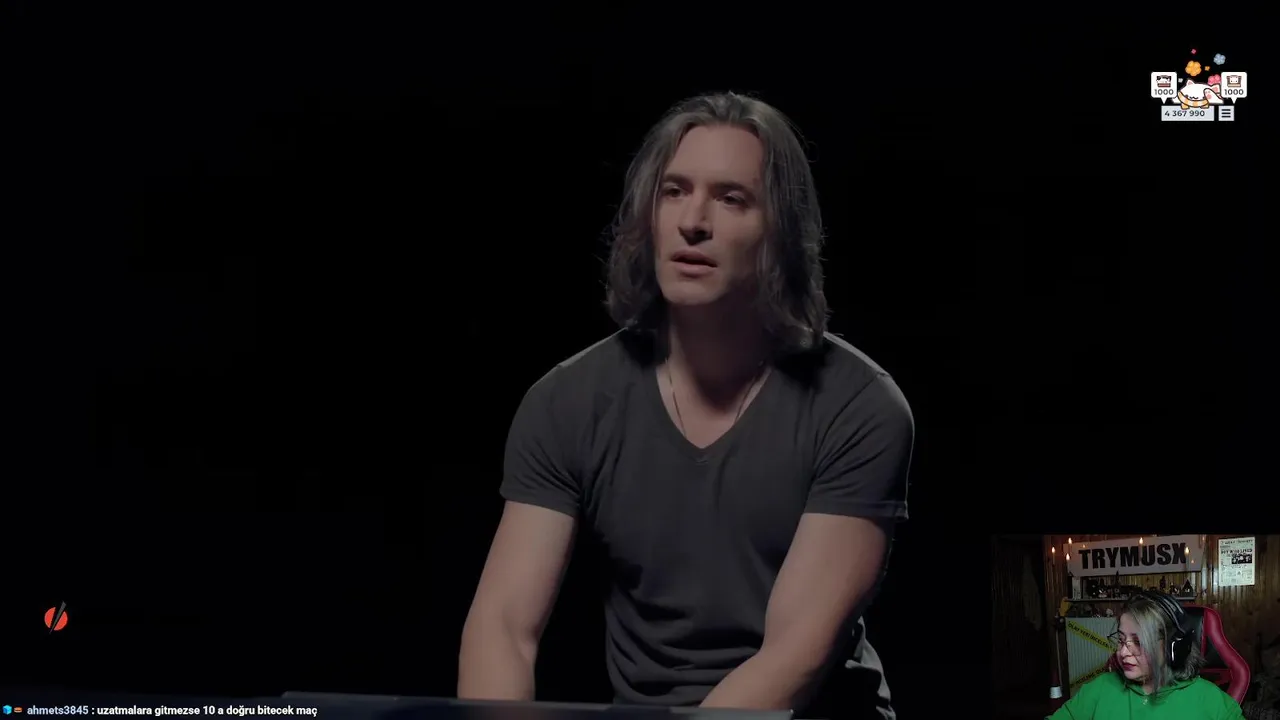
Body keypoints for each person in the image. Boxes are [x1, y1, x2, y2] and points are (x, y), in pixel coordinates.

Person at [457, 92, 914, 719]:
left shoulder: (859, 406)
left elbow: (794, 655)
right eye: (673, 191)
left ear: (779, 231)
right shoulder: (567, 402)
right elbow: (504, 627)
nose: (692, 221)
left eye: (731, 198)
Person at [1048, 591, 1245, 719]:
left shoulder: (1212, 702)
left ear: (1173, 647)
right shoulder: (1098, 689)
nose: (1123, 652)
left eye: (1139, 642)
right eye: (1121, 639)